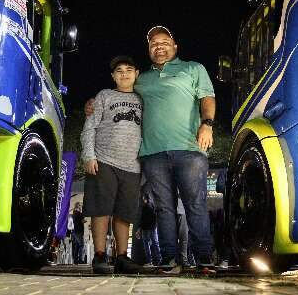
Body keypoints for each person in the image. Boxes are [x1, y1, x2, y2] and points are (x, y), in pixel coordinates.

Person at [86, 25, 216, 274]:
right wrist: (92, 102)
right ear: (149, 49)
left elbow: (207, 98)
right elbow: (119, 92)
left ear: (175, 46)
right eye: (154, 43)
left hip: (189, 149)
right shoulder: (142, 79)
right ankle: (169, 259)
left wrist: (207, 124)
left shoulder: (193, 68)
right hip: (153, 155)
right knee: (164, 208)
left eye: (164, 41)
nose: (159, 46)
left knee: (195, 205)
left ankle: (204, 258)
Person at [80, 55, 144, 274]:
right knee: (101, 210)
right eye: (119, 70)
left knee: (124, 213)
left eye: (129, 69)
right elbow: (89, 127)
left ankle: (122, 257)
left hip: (133, 165)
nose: (124, 74)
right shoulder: (104, 95)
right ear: (112, 76)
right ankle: (99, 256)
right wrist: (89, 155)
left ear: (136, 74)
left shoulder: (143, 99)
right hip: (104, 159)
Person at [136, 193, 162, 266]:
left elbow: (143, 219)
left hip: (146, 229)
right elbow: (155, 218)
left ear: (144, 198)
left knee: (146, 245)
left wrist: (139, 229)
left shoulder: (145, 207)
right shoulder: (153, 206)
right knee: (155, 244)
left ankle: (149, 261)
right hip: (153, 228)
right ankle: (159, 260)